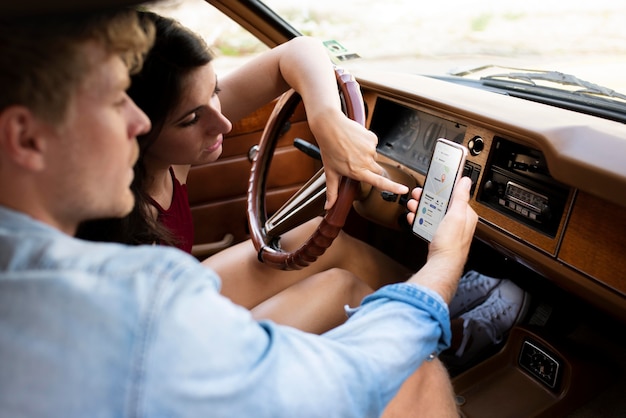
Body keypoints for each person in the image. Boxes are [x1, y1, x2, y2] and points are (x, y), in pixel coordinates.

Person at [0, 6, 478, 417]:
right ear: (25, 138)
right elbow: (343, 383)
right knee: (416, 371)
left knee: (320, 251)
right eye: (112, 101)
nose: (136, 121)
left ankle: (459, 313)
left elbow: (296, 51)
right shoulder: (141, 291)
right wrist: (443, 264)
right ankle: (450, 317)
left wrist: (327, 119)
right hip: (171, 353)